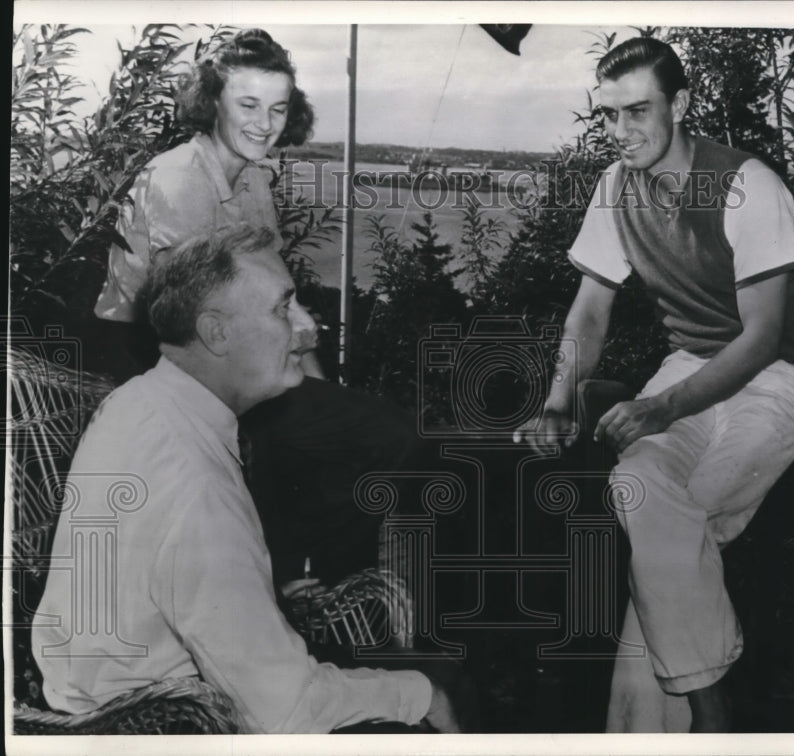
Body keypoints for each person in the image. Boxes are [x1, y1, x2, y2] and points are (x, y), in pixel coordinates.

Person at [32, 225, 464, 733]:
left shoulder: (140, 403)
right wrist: (423, 696)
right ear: (216, 332)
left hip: (109, 698)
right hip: (162, 725)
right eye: (283, 308)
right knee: (439, 682)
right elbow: (284, 711)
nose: (308, 327)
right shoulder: (194, 479)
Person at [514, 37, 794, 732]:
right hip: (687, 371)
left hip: (772, 381)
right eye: (610, 116)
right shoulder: (614, 189)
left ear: (680, 104)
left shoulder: (747, 183)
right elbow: (590, 309)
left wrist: (660, 407)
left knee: (679, 518)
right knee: (640, 491)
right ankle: (711, 714)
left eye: (638, 111)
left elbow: (763, 335)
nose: (622, 132)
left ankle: (670, 723)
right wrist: (560, 399)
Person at [91, 28, 422, 592]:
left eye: (277, 108)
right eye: (248, 105)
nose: (264, 123)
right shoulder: (178, 177)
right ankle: (290, 584)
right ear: (212, 102)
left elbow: (280, 299)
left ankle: (320, 588)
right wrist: (293, 382)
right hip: (148, 352)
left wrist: (315, 379)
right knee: (350, 435)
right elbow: (193, 317)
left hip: (226, 348)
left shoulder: (252, 184)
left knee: (368, 430)